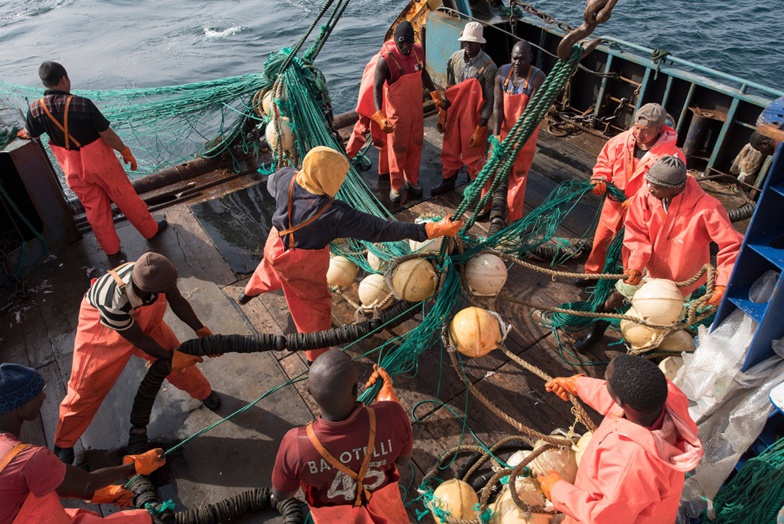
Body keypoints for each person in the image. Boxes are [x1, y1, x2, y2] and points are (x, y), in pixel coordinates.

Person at [239, 146, 462, 364]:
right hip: (302, 263)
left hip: (276, 243)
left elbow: (272, 184)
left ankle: (249, 292)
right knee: (312, 306)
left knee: (268, 267)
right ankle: (315, 355)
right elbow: (382, 230)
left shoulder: (286, 177)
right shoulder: (335, 214)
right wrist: (429, 230)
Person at [54, 252, 220, 465]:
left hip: (144, 319)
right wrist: (171, 356)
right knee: (86, 386)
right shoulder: (113, 303)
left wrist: (200, 328)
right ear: (149, 289)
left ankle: (203, 392)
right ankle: (64, 440)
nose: (170, 289)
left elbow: (177, 301)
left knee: (181, 363)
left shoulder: (157, 272)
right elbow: (139, 338)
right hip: (102, 329)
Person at [574, 156, 743, 350]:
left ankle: (644, 351)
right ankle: (596, 331)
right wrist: (636, 265)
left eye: (656, 186)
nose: (650, 188)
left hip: (679, 280)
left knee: (662, 321)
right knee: (614, 298)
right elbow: (636, 231)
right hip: (646, 270)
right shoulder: (646, 195)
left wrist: (722, 284)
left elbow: (732, 245)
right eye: (649, 182)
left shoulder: (708, 208)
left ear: (676, 187)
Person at [18, 61, 166, 259]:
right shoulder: (82, 104)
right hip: (100, 164)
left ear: (44, 83)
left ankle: (111, 250)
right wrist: (125, 151)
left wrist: (23, 132)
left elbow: (33, 134)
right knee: (125, 197)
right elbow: (107, 135)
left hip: (72, 168)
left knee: (94, 209)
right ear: (64, 78)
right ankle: (150, 230)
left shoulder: (35, 109)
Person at [539, 355, 703, 523]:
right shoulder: (666, 396)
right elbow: (619, 395)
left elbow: (605, 518)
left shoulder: (631, 466)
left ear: (620, 401)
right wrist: (579, 385)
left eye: (607, 383)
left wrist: (557, 490)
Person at [0, 363, 167, 523]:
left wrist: (99, 493)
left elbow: (47, 482)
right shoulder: (28, 458)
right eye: (38, 392)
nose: (44, 396)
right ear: (19, 407)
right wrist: (134, 466)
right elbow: (87, 483)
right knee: (143, 521)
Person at [271, 349, 411, 523]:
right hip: (387, 513)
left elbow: (282, 494)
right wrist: (387, 400)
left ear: (309, 391)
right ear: (355, 389)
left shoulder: (295, 444)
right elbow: (403, 460)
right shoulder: (393, 416)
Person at [583, 103, 685, 275]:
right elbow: (604, 162)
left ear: (659, 129)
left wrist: (639, 201)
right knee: (601, 240)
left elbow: (669, 189)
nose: (639, 134)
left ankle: (625, 285)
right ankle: (592, 274)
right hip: (613, 205)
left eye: (646, 130)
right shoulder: (620, 140)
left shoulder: (671, 156)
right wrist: (599, 179)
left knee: (634, 249)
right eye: (637, 128)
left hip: (643, 212)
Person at [372, 21, 442, 203]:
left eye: (409, 44)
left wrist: (434, 94)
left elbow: (423, 73)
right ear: (396, 43)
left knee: (416, 145)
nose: (406, 48)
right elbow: (376, 87)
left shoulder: (418, 52)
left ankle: (412, 180)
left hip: (416, 112)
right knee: (398, 149)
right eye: (402, 44)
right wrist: (379, 114)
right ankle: (396, 186)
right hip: (397, 116)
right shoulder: (386, 60)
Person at [431, 22, 497, 196]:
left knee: (474, 153)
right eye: (465, 41)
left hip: (473, 116)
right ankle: (448, 181)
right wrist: (443, 113)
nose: (467, 45)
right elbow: (450, 89)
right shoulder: (454, 58)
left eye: (472, 42)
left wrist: (480, 128)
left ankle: (475, 186)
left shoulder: (489, 67)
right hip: (454, 112)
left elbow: (490, 101)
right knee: (450, 149)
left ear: (480, 43)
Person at [483, 40, 546, 223]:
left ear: (531, 58)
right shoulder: (502, 74)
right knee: (490, 167)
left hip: (525, 134)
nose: (518, 63)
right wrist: (495, 136)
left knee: (517, 176)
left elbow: (530, 116)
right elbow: (497, 107)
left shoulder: (537, 79)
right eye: (515, 58)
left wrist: (518, 141)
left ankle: (512, 217)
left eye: (522, 59)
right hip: (503, 130)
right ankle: (485, 206)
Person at [345, 53, 389, 180]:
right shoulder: (391, 61)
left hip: (365, 99)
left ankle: (348, 156)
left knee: (360, 128)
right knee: (382, 141)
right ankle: (384, 172)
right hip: (377, 104)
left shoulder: (376, 57)